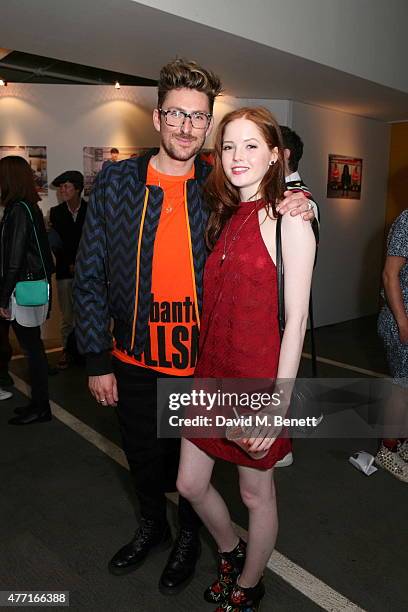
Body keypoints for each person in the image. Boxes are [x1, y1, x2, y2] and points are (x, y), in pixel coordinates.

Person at [73, 59, 315, 594]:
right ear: (158, 118)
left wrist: (302, 198)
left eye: (198, 118)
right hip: (133, 357)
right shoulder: (118, 179)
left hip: (197, 365)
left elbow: (271, 206)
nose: (187, 126)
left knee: (192, 478)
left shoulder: (217, 186)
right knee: (142, 460)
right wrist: (95, 358)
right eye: (177, 114)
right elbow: (88, 271)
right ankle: (152, 528)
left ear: (207, 125)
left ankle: (189, 539)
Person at [176, 107, 315, 611]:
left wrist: (278, 406)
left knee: (256, 496)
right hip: (210, 378)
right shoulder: (224, 214)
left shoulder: (290, 218)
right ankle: (231, 550)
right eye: (229, 146)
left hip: (258, 384)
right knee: (189, 483)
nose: (237, 156)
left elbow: (296, 320)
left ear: (277, 155)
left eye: (252, 145)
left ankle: (250, 583)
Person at [0, 156, 54, 425]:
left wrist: (3, 295)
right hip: (26, 286)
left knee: (33, 350)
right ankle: (38, 403)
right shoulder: (25, 207)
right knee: (33, 348)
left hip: (22, 288)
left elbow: (14, 257)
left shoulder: (19, 210)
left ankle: (41, 407)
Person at [377, 208, 408, 482]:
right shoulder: (406, 221)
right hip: (402, 319)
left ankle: (402, 442)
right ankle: (387, 450)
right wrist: (403, 323)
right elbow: (390, 275)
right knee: (402, 386)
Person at [49, 170, 87, 369]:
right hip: (64, 271)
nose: (62, 190)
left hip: (88, 272)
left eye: (67, 186)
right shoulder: (56, 213)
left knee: (87, 313)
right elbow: (56, 244)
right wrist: (69, 263)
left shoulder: (90, 210)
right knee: (67, 315)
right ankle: (66, 349)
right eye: (61, 187)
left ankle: (85, 350)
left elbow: (93, 241)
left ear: (78, 189)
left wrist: (80, 263)